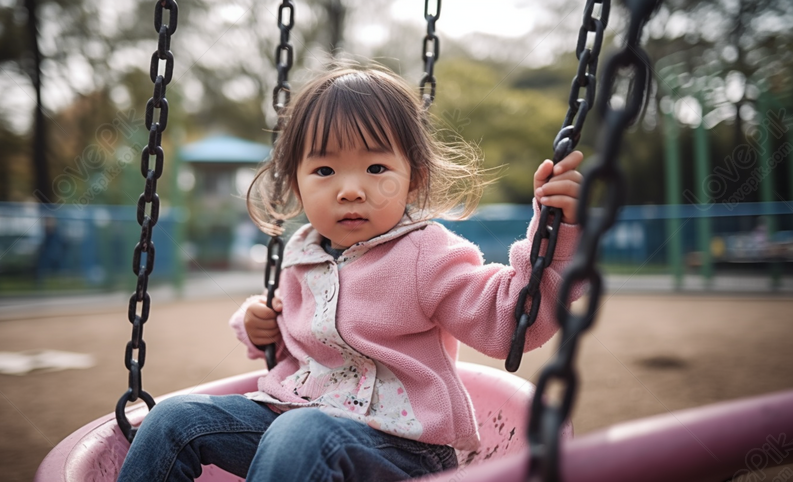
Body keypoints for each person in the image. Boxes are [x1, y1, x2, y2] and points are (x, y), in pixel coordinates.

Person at [117, 67, 585, 482]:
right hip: (296, 422)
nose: (350, 190)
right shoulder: (302, 255)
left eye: (376, 167)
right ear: (296, 183)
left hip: (404, 449)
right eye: (324, 169)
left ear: (413, 178)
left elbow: (508, 322)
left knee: (301, 433)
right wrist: (260, 325)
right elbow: (299, 344)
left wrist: (557, 236)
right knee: (173, 418)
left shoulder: (424, 253)